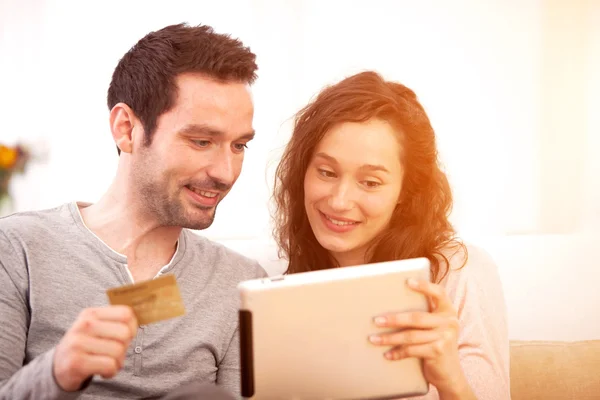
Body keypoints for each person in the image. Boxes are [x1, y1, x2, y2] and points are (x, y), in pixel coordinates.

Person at [0, 23, 266, 399]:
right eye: (202, 141)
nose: (225, 172)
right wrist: (58, 372)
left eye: (239, 146)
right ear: (126, 129)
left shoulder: (241, 282)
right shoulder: (16, 249)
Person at [272, 71, 510, 399]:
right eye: (326, 172)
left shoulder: (459, 273)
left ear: (404, 190)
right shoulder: (284, 290)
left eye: (370, 182)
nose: (339, 201)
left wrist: (450, 380)